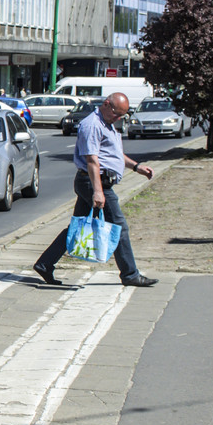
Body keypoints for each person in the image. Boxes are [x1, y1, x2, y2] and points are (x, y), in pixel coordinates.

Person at [33, 92, 157, 288]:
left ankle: (45, 264)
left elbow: (114, 154)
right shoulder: (92, 125)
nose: (119, 119)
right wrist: (98, 191)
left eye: (122, 116)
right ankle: (130, 274)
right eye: (117, 114)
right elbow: (92, 161)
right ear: (107, 104)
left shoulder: (106, 124)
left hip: (93, 182)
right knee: (119, 226)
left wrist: (136, 166)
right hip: (93, 182)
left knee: (79, 226)